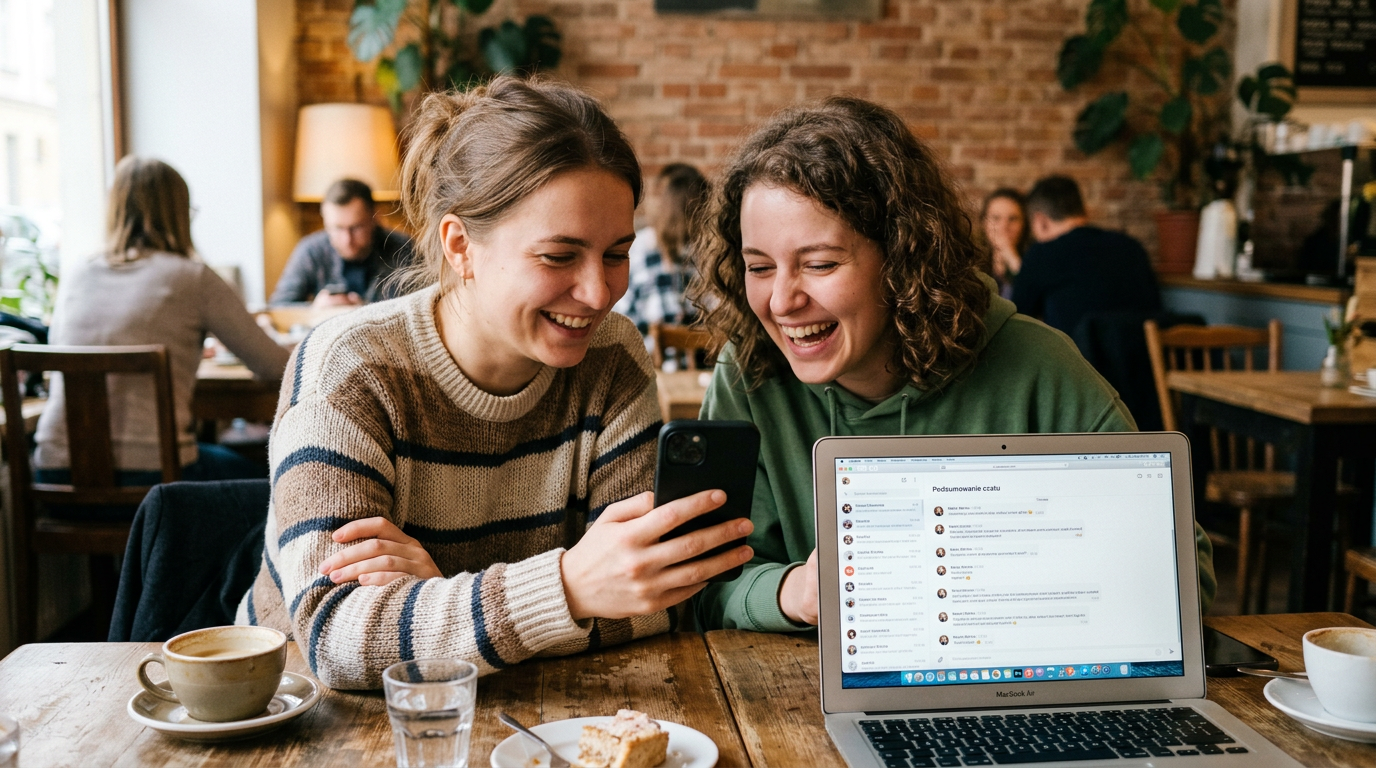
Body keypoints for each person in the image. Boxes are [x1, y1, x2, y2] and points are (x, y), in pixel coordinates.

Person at [235, 77, 750, 690]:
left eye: (616, 253)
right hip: (306, 715)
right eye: (559, 256)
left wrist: (431, 595)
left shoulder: (613, 357)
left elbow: (655, 597)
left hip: (532, 708)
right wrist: (570, 587)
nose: (599, 292)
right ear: (461, 246)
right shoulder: (348, 367)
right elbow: (337, 640)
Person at [688, 97, 1215, 633]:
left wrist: (998, 583)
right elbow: (698, 586)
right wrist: (792, 592)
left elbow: (1182, 572)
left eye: (820, 264)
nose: (780, 302)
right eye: (759, 266)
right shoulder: (749, 371)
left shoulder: (1036, 365)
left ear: (902, 257)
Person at [33, 156, 290, 497]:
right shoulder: (192, 277)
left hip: (55, 475)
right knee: (274, 483)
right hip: (155, 485)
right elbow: (275, 366)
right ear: (179, 213)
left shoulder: (77, 274)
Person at [1009, 175, 1160, 336]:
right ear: (1083, 211)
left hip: (1076, 359)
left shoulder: (1042, 253)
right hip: (1143, 358)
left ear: (1041, 220)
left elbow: (1017, 321)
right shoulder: (1131, 246)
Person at [269, 179, 415, 306]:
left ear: (375, 217)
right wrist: (314, 309)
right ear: (325, 221)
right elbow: (280, 306)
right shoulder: (311, 250)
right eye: (338, 228)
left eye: (356, 227)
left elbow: (421, 306)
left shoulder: (404, 250)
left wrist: (363, 310)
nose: (347, 240)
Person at [612, 164, 710, 335]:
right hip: (706, 357)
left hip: (648, 357)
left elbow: (621, 314)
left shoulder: (640, 247)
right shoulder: (711, 250)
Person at [980, 188, 1029, 299]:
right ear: (984, 222)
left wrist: (1012, 258)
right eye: (996, 218)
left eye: (1012, 219)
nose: (1004, 227)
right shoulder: (971, 262)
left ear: (1025, 224)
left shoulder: (1035, 260)